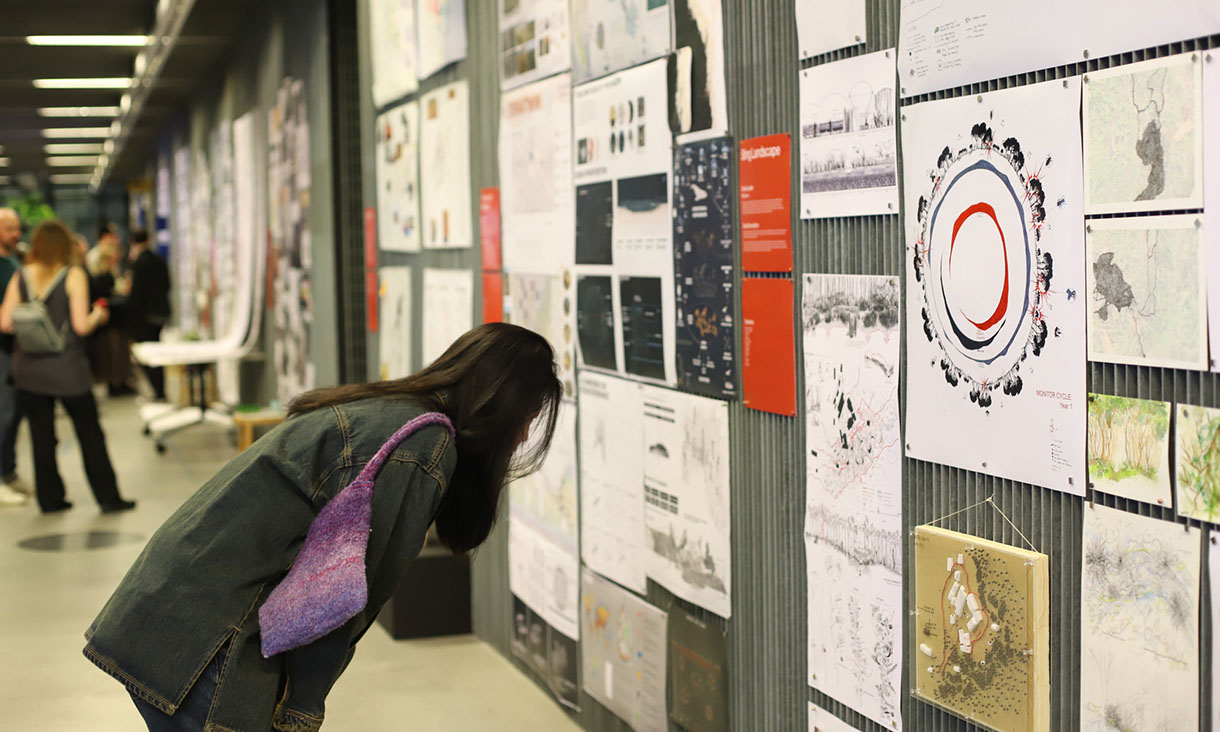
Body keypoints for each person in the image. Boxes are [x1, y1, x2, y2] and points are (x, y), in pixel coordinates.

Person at [82, 323, 560, 731]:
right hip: (208, 638)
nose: (522, 436)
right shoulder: (424, 446)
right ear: (503, 404)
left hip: (167, 607)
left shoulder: (393, 409)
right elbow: (347, 599)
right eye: (528, 418)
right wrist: (299, 709)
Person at [0, 220, 135, 514]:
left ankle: (50, 501)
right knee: (90, 433)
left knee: (41, 438)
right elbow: (79, 326)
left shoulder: (20, 275)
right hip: (68, 370)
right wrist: (97, 316)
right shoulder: (73, 275)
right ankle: (108, 497)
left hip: (28, 371)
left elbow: (5, 322)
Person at [124, 228, 170, 400]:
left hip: (144, 316)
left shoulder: (139, 263)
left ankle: (158, 390)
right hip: (159, 313)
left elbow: (136, 294)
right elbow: (167, 285)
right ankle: (160, 389)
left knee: (147, 353)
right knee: (157, 350)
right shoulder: (159, 260)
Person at [0, 208, 26, 506]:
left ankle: (9, 471)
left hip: (16, 349)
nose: (15, 234)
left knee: (13, 415)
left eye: (17, 228)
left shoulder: (14, 261)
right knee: (3, 413)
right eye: (8, 228)